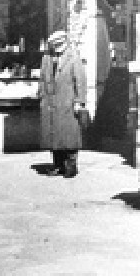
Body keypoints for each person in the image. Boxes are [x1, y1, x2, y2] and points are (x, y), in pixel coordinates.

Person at [39, 30, 87, 178]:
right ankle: (58, 165)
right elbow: (42, 79)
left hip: (67, 101)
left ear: (65, 43)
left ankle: (71, 165)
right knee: (53, 135)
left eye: (60, 44)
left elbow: (80, 81)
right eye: (55, 45)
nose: (58, 47)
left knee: (69, 135)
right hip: (50, 102)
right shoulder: (47, 59)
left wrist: (80, 101)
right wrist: (41, 96)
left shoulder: (73, 58)